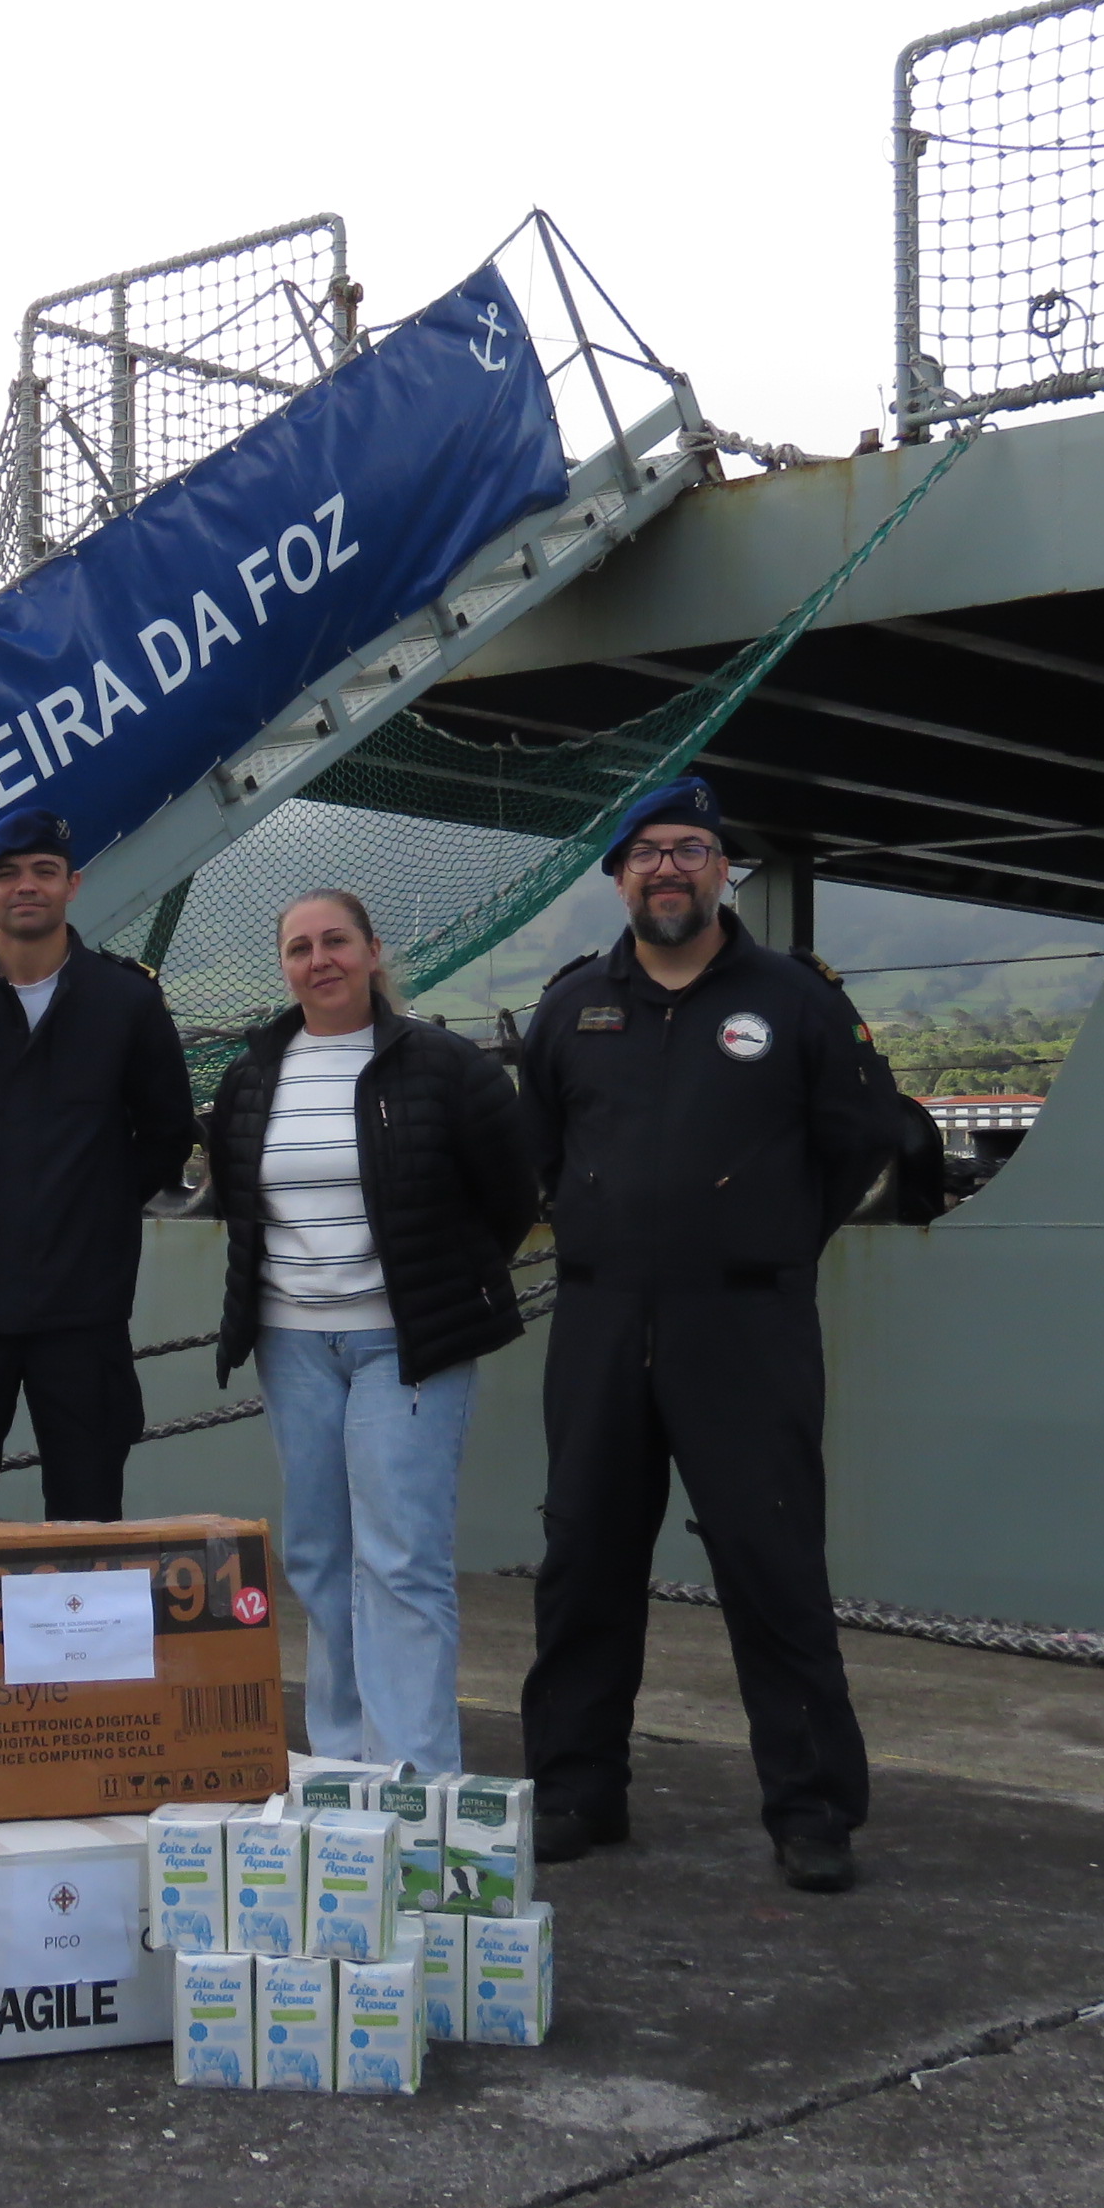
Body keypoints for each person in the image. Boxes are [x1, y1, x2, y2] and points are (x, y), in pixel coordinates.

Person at [517, 778, 902, 1891]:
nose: (667, 869)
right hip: (598, 1319)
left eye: (688, 848)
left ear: (723, 867)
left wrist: (766, 1236)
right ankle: (577, 1788)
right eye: (644, 852)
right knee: (583, 1561)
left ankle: (812, 1808)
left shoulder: (793, 1000)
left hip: (744, 1322)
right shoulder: (573, 1005)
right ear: (618, 877)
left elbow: (861, 1137)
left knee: (770, 1560)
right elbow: (537, 1146)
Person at [207, 890, 537, 1773]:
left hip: (409, 1340)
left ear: (373, 952)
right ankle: (345, 1763)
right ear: (284, 966)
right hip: (293, 1343)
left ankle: (417, 1778)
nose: (320, 961)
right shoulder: (252, 1076)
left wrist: (440, 1282)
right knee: (319, 1556)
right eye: (300, 947)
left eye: (337, 942)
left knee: (400, 1559)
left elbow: (511, 1189)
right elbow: (238, 1198)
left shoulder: (443, 1066)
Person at [0, 808, 199, 1522]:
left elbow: (168, 1130)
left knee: (87, 1512)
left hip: (80, 1311)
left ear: (72, 885)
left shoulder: (127, 1001)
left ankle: (84, 1640)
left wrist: (98, 1206)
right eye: (8, 874)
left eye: (44, 872)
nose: (28, 885)